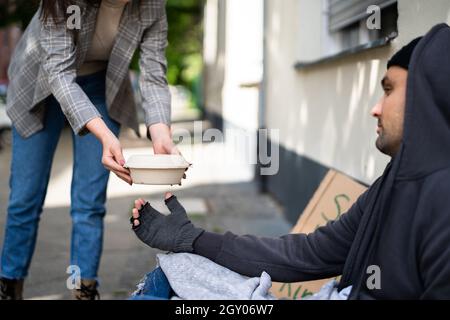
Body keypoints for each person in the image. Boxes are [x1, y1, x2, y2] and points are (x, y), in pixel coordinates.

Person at [129, 24, 450, 300]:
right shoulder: (391, 183)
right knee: (179, 268)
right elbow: (306, 254)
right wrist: (194, 238)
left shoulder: (442, 199)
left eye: (389, 90)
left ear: (425, 95)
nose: (375, 109)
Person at [0, 0, 177, 300]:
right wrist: (105, 135)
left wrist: (160, 129)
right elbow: (59, 72)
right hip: (42, 83)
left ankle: (82, 289)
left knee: (89, 202)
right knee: (25, 198)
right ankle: (9, 284)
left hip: (99, 86)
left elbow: (153, 71)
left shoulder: (150, 5)